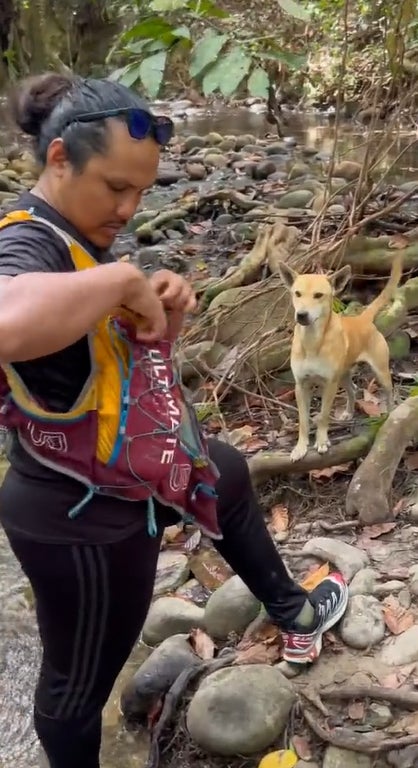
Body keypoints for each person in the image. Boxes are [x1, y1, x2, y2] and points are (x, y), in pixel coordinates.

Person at [0, 72, 348, 768]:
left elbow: (90, 367)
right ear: (61, 158)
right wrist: (124, 280)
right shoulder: (25, 241)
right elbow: (8, 321)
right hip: (79, 523)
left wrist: (161, 312)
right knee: (74, 690)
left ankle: (293, 611)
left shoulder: (76, 237)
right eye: (114, 187)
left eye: (141, 192)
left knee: (226, 471)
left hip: (124, 471)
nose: (129, 208)